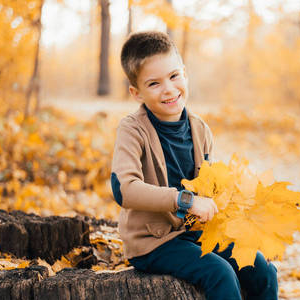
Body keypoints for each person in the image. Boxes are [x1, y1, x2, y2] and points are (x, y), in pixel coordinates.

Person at [110, 31, 278, 300]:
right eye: (154, 83)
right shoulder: (132, 130)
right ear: (136, 92)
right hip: (153, 243)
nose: (168, 88)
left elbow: (209, 190)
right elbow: (124, 190)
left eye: (174, 76)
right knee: (219, 273)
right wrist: (185, 201)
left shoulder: (200, 129)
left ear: (185, 74)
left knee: (262, 269)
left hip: (195, 233)